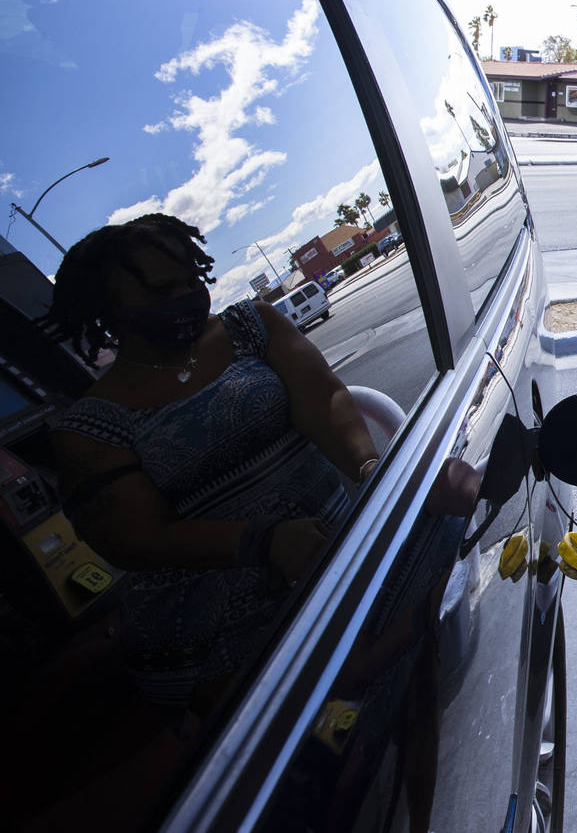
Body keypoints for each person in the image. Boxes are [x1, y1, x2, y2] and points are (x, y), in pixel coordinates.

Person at [47, 213, 379, 714]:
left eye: (190, 281)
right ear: (109, 311)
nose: (185, 298)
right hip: (218, 639)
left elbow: (324, 401)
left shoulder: (252, 325)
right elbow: (139, 540)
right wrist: (262, 541)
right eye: (161, 291)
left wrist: (367, 466)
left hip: (334, 562)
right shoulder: (88, 426)